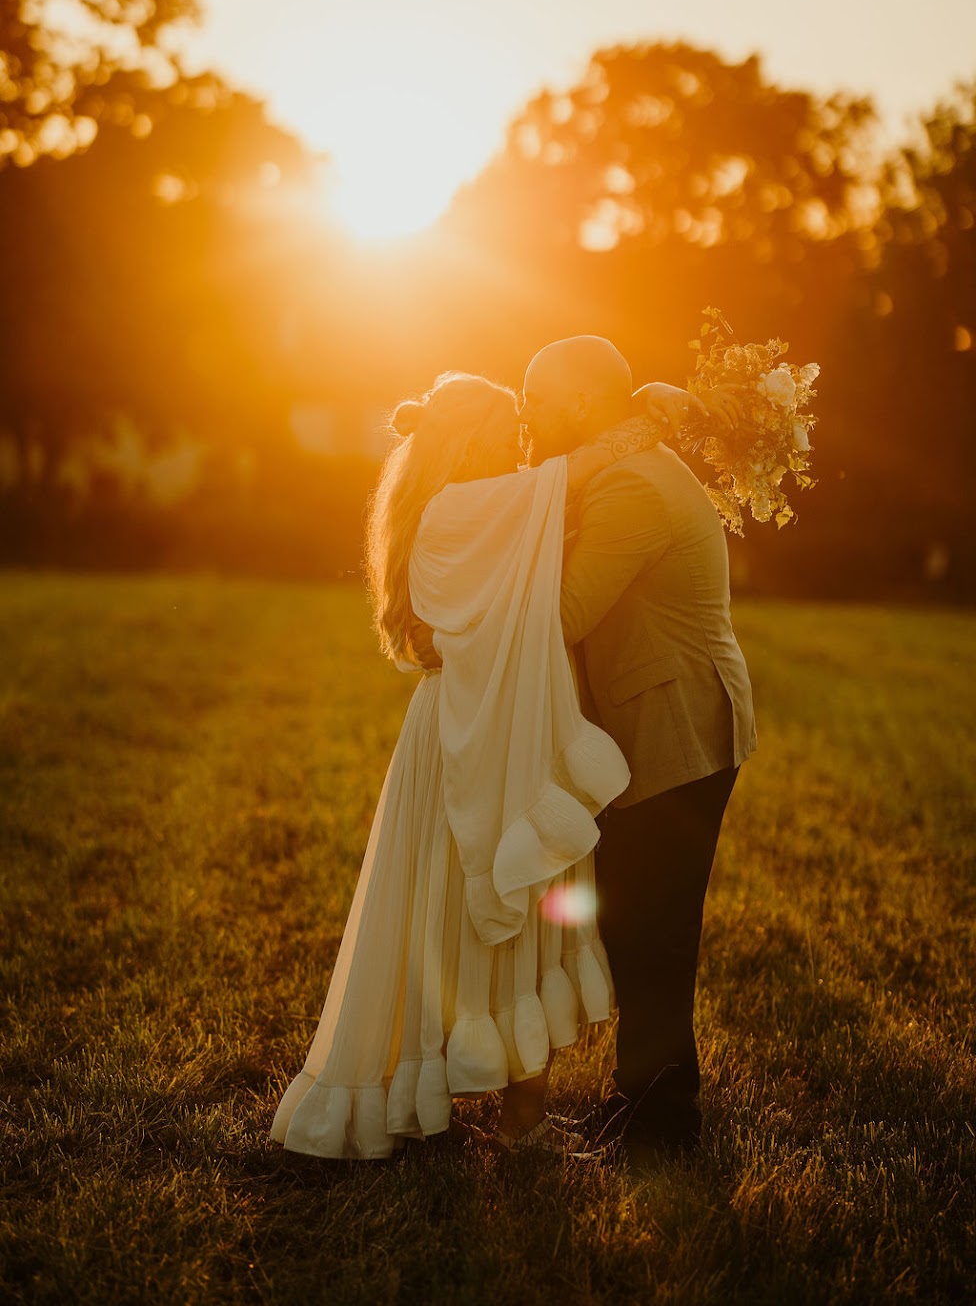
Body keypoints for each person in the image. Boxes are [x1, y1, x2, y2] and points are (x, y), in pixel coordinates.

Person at [271, 370, 678, 1160]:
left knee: (463, 906)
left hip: (477, 716)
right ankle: (507, 1105)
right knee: (481, 905)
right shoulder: (464, 508)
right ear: (473, 440)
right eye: (510, 432)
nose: (524, 446)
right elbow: (579, 472)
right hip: (477, 727)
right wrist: (648, 419)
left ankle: (497, 1097)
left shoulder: (454, 508)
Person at [519, 335, 757, 1162]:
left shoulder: (631, 487)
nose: (527, 417)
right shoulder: (626, 467)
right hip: (668, 719)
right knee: (639, 922)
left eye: (537, 400)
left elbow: (566, 610)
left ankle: (661, 1124)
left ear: (583, 402)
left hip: (679, 725)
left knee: (651, 929)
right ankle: (645, 1100)